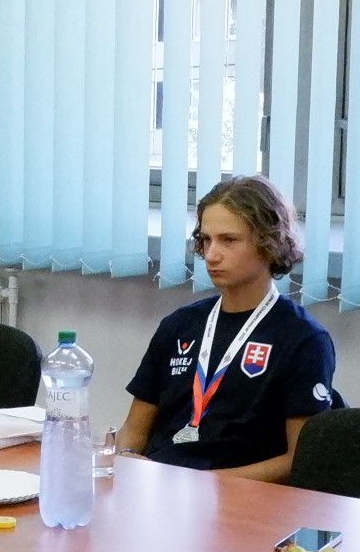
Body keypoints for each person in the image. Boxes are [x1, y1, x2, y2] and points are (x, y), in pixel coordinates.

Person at [119, 176, 342, 481]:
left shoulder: (303, 339)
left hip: (237, 493)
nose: (211, 255)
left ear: (269, 243)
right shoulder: (179, 325)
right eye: (206, 240)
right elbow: (133, 432)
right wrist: (125, 460)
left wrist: (209, 485)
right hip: (162, 486)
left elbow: (298, 459)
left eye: (228, 240)